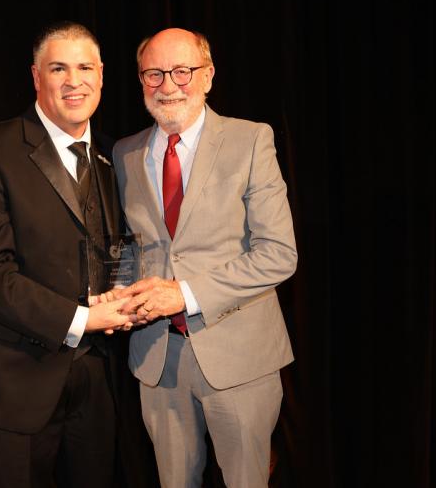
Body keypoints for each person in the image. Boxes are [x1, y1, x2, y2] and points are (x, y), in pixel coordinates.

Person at [111, 28, 298, 487]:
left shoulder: (251, 140)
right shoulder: (125, 153)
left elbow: (278, 254)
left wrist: (185, 295)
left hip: (239, 360)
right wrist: (120, 293)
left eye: (182, 71)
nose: (168, 85)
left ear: (208, 75)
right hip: (157, 362)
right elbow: (135, 246)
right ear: (140, 80)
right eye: (154, 74)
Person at [0, 21, 133, 487]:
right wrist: (81, 319)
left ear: (103, 75)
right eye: (59, 68)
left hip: (101, 379)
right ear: (36, 77)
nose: (75, 81)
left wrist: (128, 298)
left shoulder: (119, 155)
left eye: (85, 67)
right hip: (15, 377)